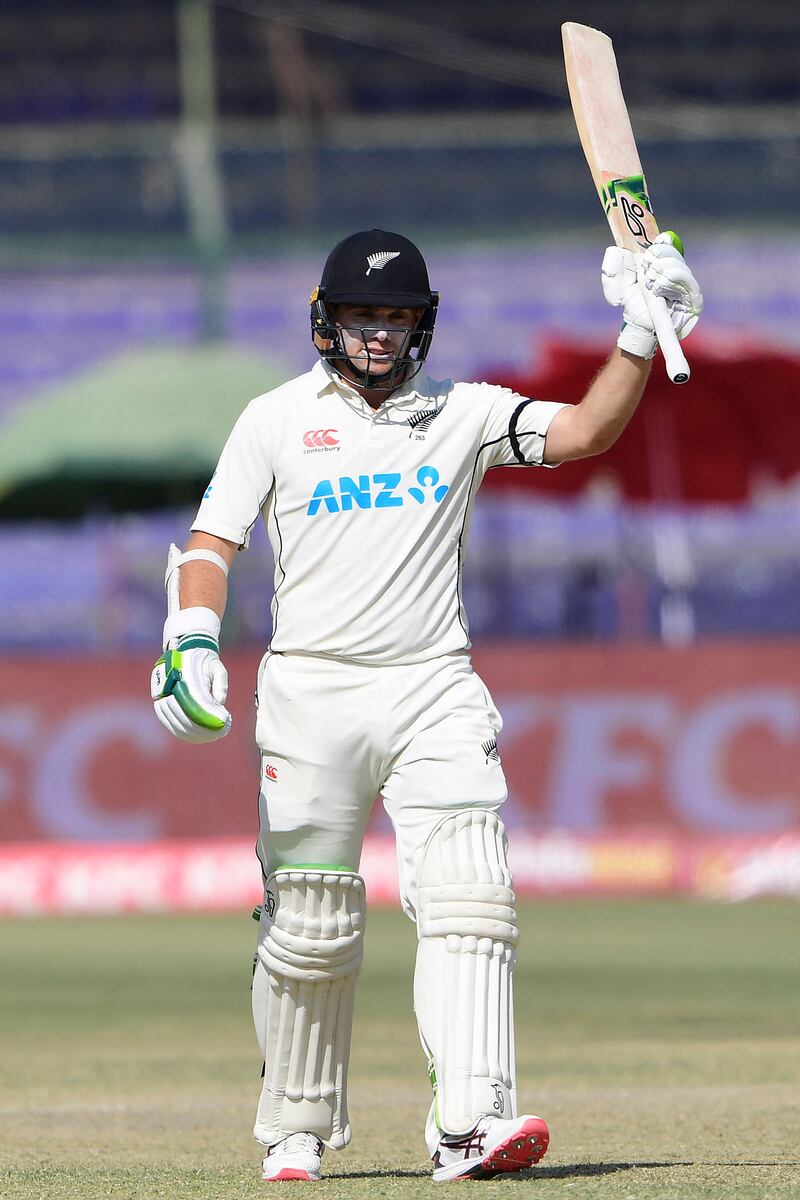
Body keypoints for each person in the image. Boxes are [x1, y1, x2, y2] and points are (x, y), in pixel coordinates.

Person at [151, 228, 702, 1182]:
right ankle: (297, 1125)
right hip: (311, 692)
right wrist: (191, 636)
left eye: (396, 319)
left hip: (433, 686)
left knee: (470, 898)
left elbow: (583, 433)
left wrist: (639, 337)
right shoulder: (273, 418)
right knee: (311, 924)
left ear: (423, 328)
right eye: (363, 317)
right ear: (326, 321)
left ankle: (471, 1127)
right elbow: (211, 542)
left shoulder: (466, 413)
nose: (377, 336)